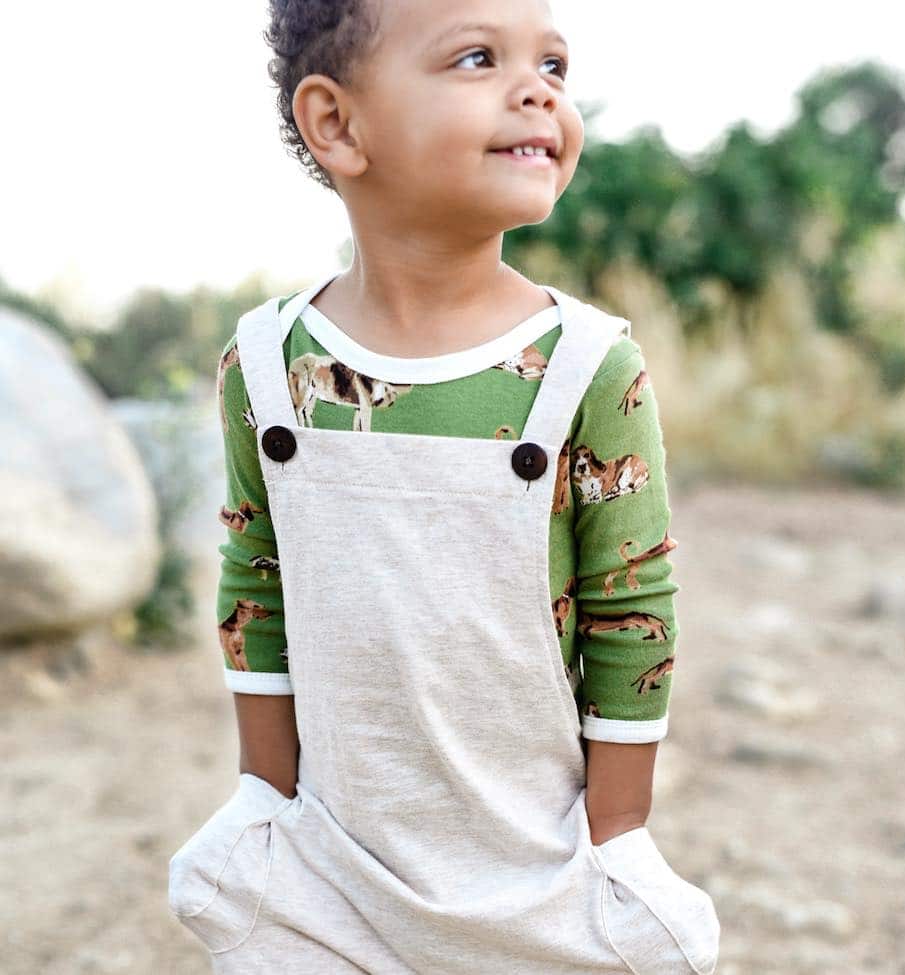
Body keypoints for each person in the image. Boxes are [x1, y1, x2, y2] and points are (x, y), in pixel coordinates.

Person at [167, 1, 721, 972]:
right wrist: (264, 795)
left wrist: (617, 840)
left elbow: (633, 606)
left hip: (536, 869)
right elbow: (254, 579)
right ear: (338, 124)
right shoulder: (265, 367)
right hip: (330, 864)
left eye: (552, 61)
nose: (538, 88)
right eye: (477, 57)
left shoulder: (587, 368)